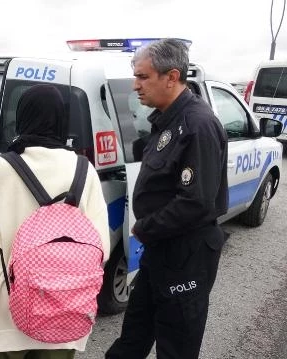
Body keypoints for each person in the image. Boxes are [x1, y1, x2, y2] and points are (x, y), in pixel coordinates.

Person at [0, 84, 110, 358]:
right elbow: (101, 246)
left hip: (3, 303)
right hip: (65, 309)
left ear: (22, 117)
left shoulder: (1, 168)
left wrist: (0, 225)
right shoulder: (85, 170)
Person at [105, 39, 228, 359]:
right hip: (160, 251)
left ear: (171, 77)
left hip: (186, 256)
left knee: (177, 347)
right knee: (133, 336)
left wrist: (144, 227)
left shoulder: (197, 125)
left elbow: (197, 201)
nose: (135, 86)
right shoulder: (166, 120)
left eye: (143, 77)